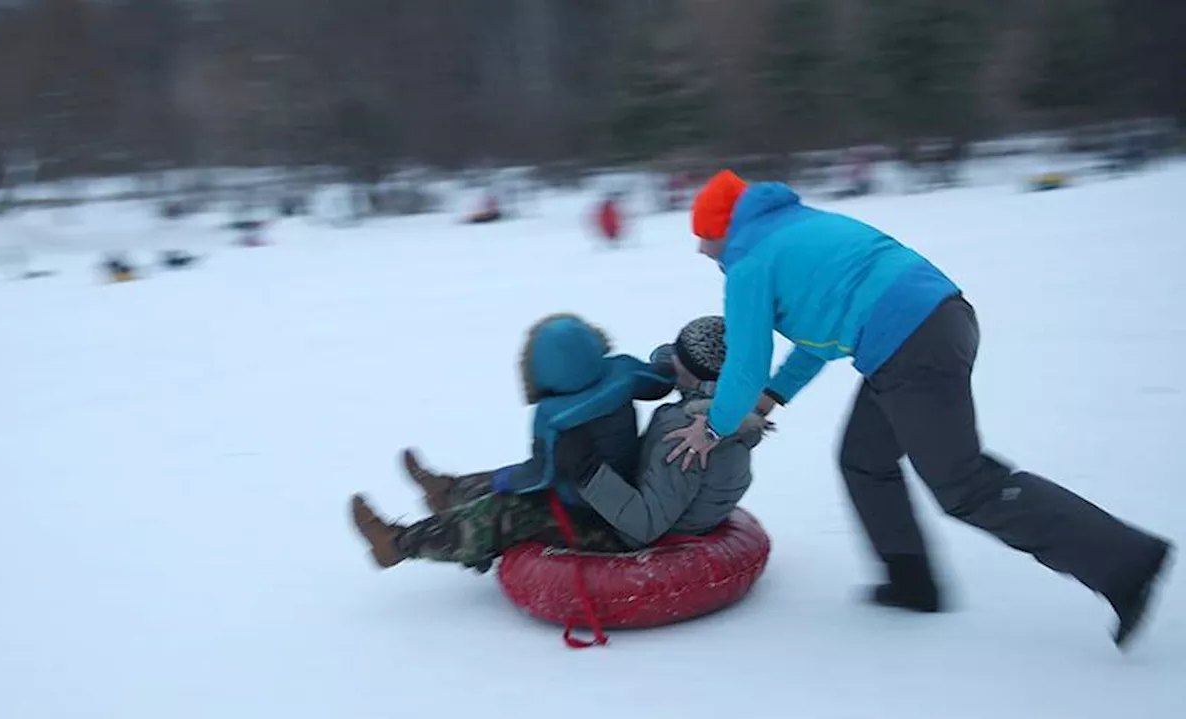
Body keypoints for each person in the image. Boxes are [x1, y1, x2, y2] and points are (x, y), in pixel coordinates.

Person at [666, 169, 1173, 649]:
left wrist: (713, 427)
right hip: (936, 322)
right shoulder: (796, 226)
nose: (698, 247)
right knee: (865, 457)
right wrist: (776, 395)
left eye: (703, 235)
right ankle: (910, 582)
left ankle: (1126, 563)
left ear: (723, 229)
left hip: (907, 344)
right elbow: (820, 333)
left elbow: (746, 362)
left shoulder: (751, 262)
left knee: (965, 485)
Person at [350, 312, 676, 570]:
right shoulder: (624, 374)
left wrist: (504, 482)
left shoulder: (555, 416)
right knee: (506, 479)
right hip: (604, 489)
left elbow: (541, 475)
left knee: (500, 507)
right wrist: (671, 363)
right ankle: (447, 491)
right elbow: (659, 380)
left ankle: (396, 543)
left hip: (593, 516)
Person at [576, 315, 772, 547]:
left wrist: (584, 470)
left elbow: (644, 526)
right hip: (679, 509)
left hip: (654, 538)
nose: (671, 359)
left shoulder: (686, 434)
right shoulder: (725, 417)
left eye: (678, 356)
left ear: (696, 375)